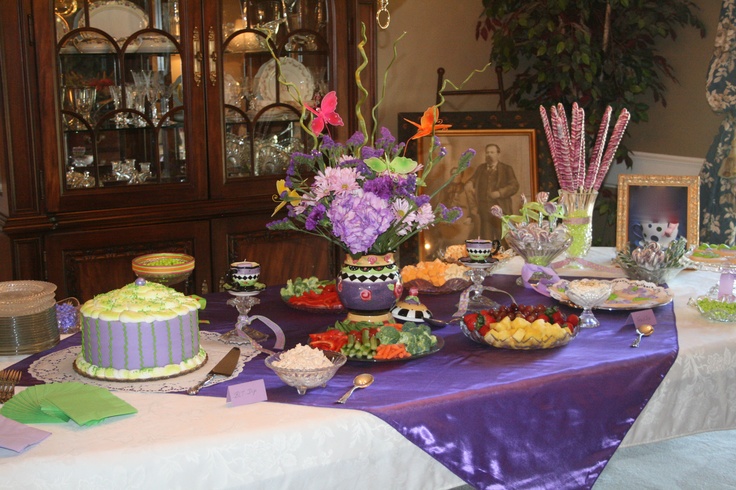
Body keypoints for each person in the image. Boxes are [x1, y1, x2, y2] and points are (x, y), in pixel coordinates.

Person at [472, 143, 520, 240]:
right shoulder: (480, 169)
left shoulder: (506, 169)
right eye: (487, 153)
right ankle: (487, 255)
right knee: (486, 239)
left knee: (502, 238)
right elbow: (472, 184)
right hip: (484, 211)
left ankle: (504, 255)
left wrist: (499, 193)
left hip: (501, 210)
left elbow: (514, 186)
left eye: (492, 152)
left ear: (498, 154)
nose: (489, 155)